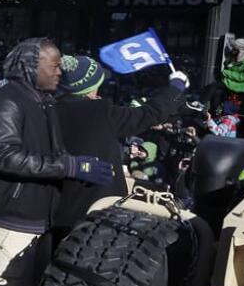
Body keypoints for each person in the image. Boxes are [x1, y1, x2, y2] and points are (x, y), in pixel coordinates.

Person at [0, 38, 115, 286]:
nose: (61, 72)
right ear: (30, 67)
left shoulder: (42, 101)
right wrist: (69, 166)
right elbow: (4, 156)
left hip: (37, 223)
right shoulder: (6, 101)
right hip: (9, 223)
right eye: (54, 65)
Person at [52, 55, 189, 230]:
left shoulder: (49, 111)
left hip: (59, 213)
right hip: (99, 214)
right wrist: (175, 87)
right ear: (89, 88)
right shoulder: (101, 112)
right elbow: (150, 114)